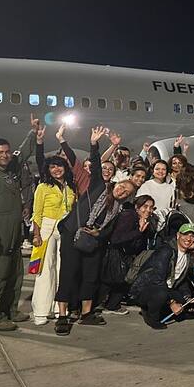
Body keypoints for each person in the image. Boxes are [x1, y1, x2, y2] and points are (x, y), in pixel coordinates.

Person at [54, 126, 137, 336]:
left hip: (94, 242)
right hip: (73, 235)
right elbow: (96, 162)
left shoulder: (119, 209)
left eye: (126, 192)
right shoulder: (98, 185)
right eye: (122, 186)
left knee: (90, 277)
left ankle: (86, 313)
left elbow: (110, 230)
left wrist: (98, 234)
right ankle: (62, 316)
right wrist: (94, 143)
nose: (122, 190)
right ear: (117, 184)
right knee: (68, 274)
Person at [0, 135, 36, 331]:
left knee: (15, 276)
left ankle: (10, 311)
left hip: (13, 236)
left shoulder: (8, 173)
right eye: (0, 152)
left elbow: (22, 154)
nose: (5, 155)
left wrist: (33, 134)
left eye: (7, 151)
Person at [129, 223, 194, 329]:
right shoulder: (166, 250)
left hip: (167, 288)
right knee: (162, 294)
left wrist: (187, 297)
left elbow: (182, 280)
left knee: (190, 308)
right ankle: (150, 316)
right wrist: (172, 303)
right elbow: (157, 280)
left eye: (192, 236)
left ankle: (161, 308)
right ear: (178, 235)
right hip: (147, 288)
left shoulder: (187, 255)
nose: (188, 238)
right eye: (185, 235)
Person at [29, 155, 76, 326]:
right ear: (48, 170)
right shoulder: (43, 187)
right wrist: (36, 234)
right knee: (45, 269)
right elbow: (36, 213)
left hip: (66, 229)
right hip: (47, 228)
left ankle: (60, 307)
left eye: (60, 166)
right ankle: (41, 310)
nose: (56, 170)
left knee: (62, 269)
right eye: (52, 167)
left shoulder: (71, 186)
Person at [100, 195, 158, 315]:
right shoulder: (129, 216)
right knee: (112, 280)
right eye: (145, 206)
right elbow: (117, 238)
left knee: (123, 280)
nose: (148, 210)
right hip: (116, 252)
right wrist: (139, 232)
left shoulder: (145, 219)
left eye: (151, 207)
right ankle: (99, 306)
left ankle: (112, 304)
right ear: (137, 207)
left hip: (128, 254)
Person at [137, 160, 176, 229]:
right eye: (157, 169)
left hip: (164, 224)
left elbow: (172, 207)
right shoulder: (145, 185)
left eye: (163, 169)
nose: (160, 171)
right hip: (147, 223)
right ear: (153, 171)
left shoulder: (171, 188)